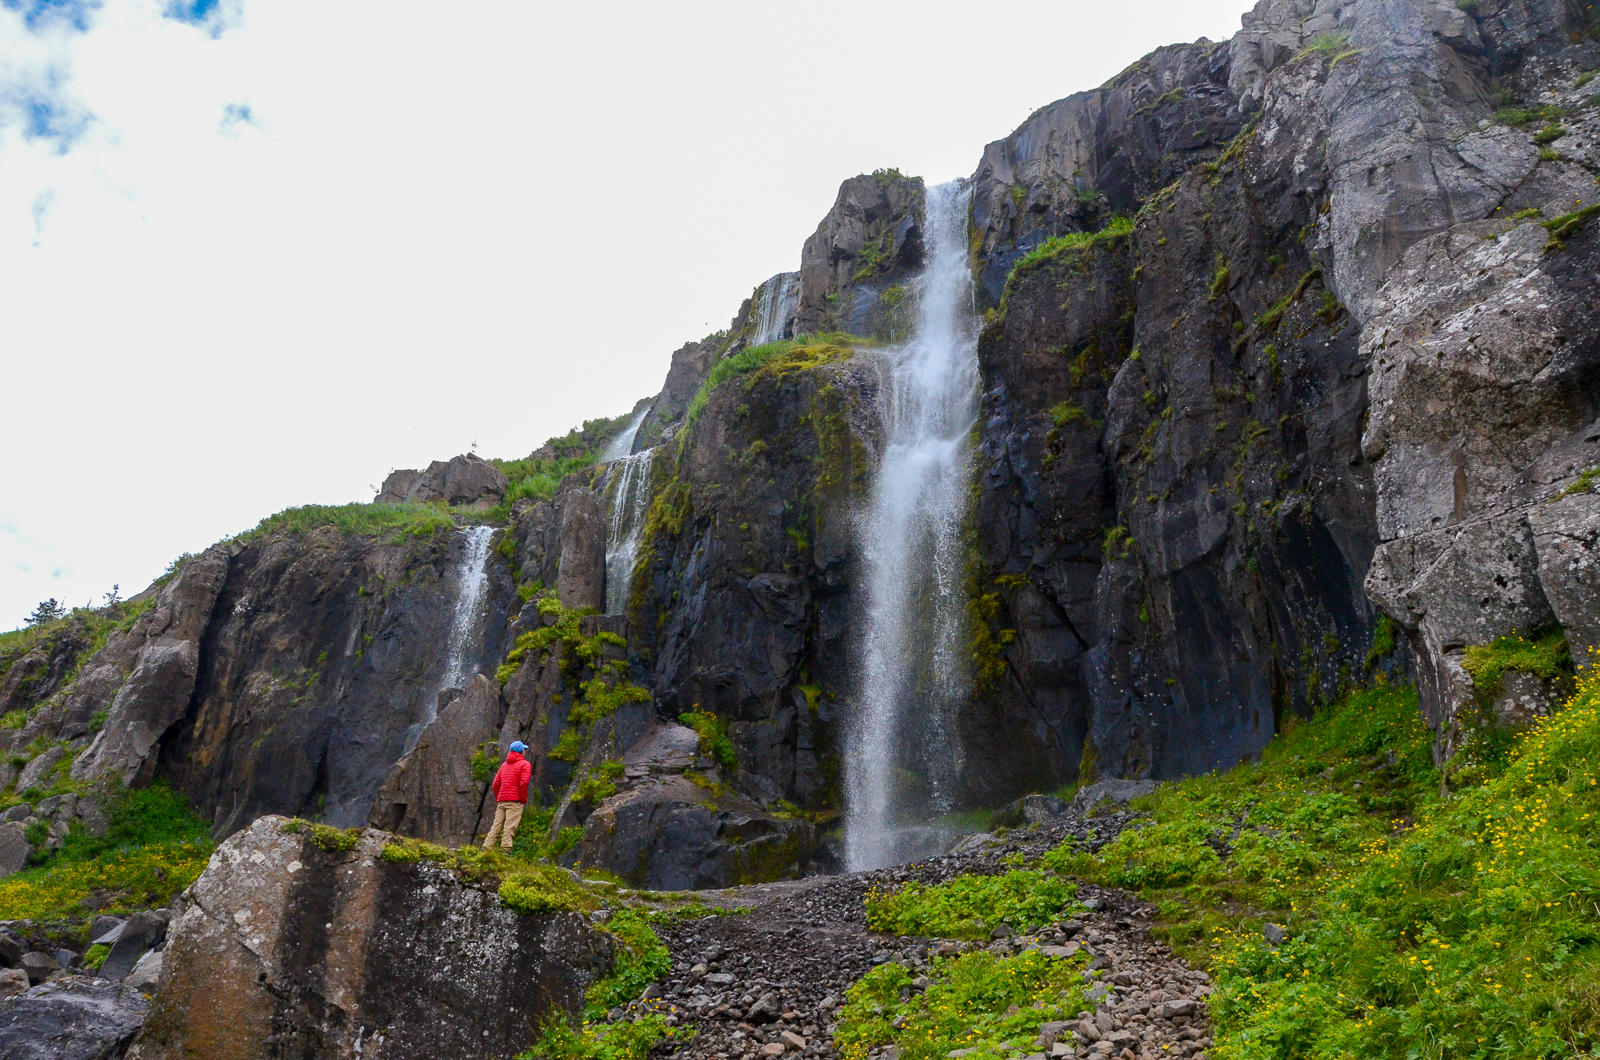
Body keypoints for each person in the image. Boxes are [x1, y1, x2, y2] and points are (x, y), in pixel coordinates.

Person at [482, 741, 532, 852]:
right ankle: (505, 850)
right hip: (515, 801)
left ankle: (486, 848)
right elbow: (523, 783)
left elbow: (496, 784)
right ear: (521, 751)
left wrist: (499, 798)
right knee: (510, 827)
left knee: (496, 825)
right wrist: (523, 799)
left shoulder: (504, 765)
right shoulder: (525, 764)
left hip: (502, 800)